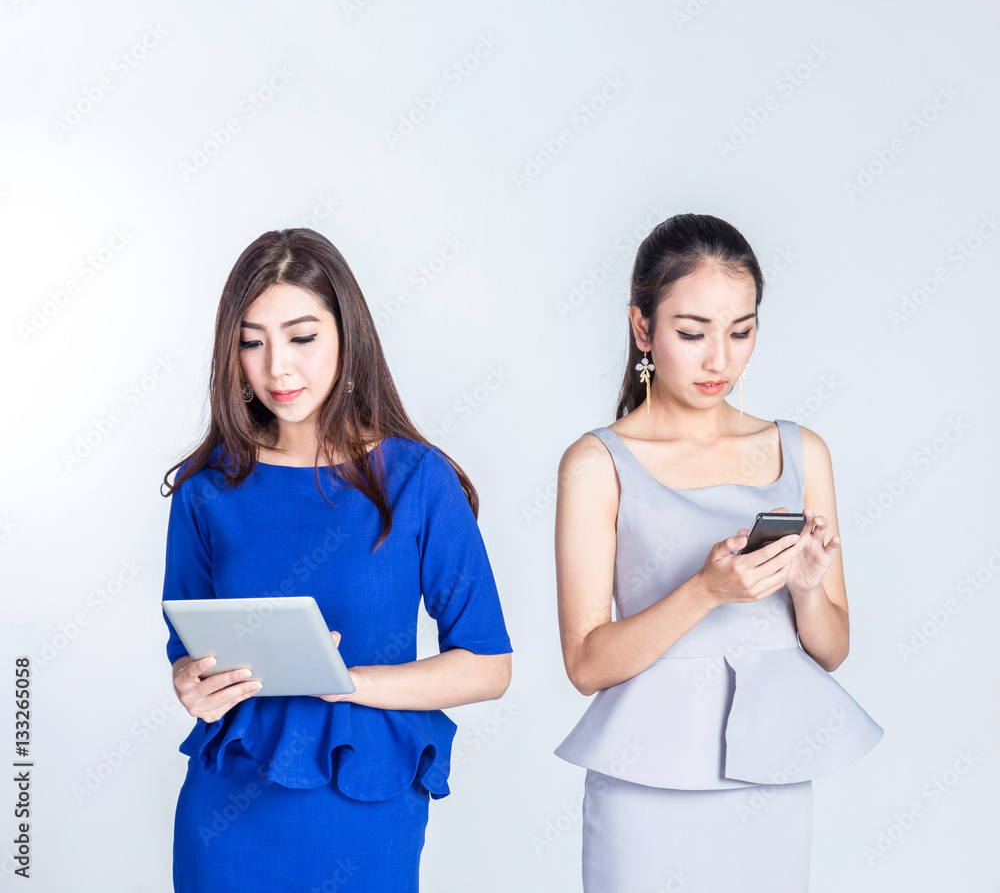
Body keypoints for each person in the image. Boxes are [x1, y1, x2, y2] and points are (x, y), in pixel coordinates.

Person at [160, 228, 513, 893]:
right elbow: (187, 654)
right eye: (251, 341)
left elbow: (489, 665)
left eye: (301, 336)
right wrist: (188, 682)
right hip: (226, 817)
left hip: (364, 808)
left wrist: (347, 681)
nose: (277, 368)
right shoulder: (206, 490)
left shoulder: (416, 480)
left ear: (347, 335)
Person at [553, 213, 883, 892]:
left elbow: (831, 649)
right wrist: (706, 589)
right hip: (646, 781)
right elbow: (586, 663)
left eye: (741, 331)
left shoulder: (800, 450)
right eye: (691, 333)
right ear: (643, 329)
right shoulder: (597, 462)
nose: (719, 360)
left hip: (770, 782)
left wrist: (806, 585)